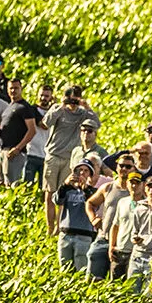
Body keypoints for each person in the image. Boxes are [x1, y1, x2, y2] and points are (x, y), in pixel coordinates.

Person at [41, 86, 99, 236]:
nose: (73, 103)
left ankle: (59, 227)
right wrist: (61, 105)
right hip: (53, 155)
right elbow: (46, 122)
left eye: (75, 99)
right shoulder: (58, 108)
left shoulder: (82, 113)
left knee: (64, 194)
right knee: (49, 193)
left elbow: (96, 124)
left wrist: (86, 106)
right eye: (71, 99)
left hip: (70, 158)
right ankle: (49, 227)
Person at [85, 152, 136, 281]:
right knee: (93, 277)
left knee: (118, 282)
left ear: (134, 169)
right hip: (103, 238)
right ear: (117, 167)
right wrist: (93, 218)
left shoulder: (137, 191)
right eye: (121, 165)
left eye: (128, 167)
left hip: (123, 244)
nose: (124, 169)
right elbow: (90, 203)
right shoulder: (107, 187)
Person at [54, 160, 98, 272]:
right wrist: (65, 185)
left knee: (82, 269)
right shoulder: (67, 190)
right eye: (79, 170)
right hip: (66, 234)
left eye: (86, 171)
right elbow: (57, 200)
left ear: (90, 175)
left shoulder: (94, 191)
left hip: (83, 236)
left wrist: (85, 189)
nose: (82, 173)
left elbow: (95, 205)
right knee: (64, 269)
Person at [0, 79, 36, 187]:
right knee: (0, 184)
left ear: (21, 89)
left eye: (16, 88)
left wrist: (18, 148)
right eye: (11, 88)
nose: (13, 91)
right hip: (3, 150)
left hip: (15, 153)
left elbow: (32, 130)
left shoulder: (25, 107)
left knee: (13, 185)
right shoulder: (9, 106)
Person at [109, 169, 148, 280]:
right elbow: (115, 225)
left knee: (131, 286)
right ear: (127, 184)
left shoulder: (148, 205)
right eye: (131, 182)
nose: (134, 186)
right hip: (120, 251)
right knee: (114, 285)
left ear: (143, 185)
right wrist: (111, 246)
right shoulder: (122, 202)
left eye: (137, 183)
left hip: (136, 253)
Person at [24, 84, 55, 187]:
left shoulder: (54, 112)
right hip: (31, 152)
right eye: (41, 95)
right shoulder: (32, 109)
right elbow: (43, 125)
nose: (43, 98)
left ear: (51, 97)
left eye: (46, 96)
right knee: (27, 185)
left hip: (46, 155)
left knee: (44, 187)